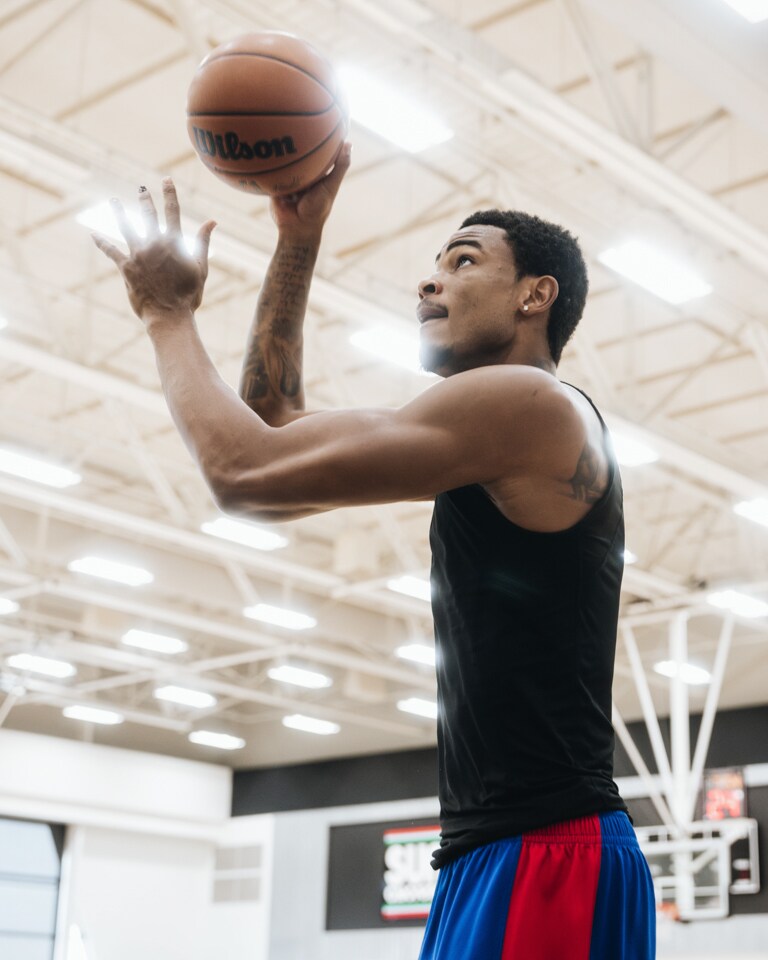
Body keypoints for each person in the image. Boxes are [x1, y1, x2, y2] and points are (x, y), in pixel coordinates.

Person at [92, 144, 656, 959]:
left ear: (538, 296)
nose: (429, 282)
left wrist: (165, 317)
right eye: (432, 265)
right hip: (503, 850)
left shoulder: (530, 402)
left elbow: (242, 473)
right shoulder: (492, 415)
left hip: (545, 851)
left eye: (463, 262)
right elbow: (273, 435)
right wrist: (298, 241)